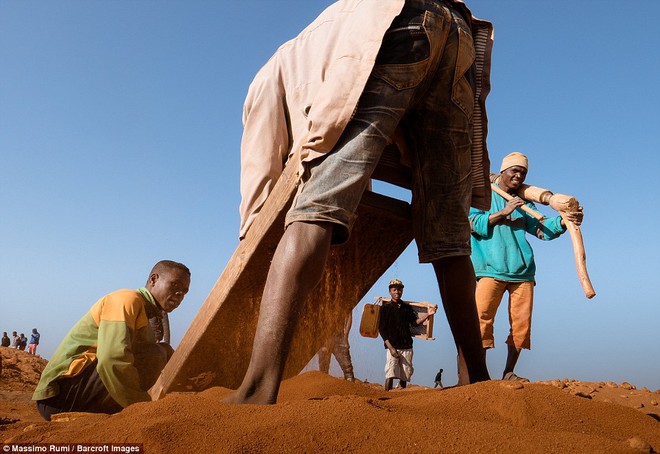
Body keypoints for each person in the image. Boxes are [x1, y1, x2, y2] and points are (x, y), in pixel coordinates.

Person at [228, 0, 494, 405]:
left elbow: (261, 166)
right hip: (456, 29)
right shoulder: (312, 45)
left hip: (397, 20)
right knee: (450, 239)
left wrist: (252, 234)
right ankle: (478, 380)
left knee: (315, 209)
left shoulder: (268, 77)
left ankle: (256, 387)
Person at [469, 152, 583, 381]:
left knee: (521, 327)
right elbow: (472, 224)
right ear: (503, 172)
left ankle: (508, 372)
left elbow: (543, 230)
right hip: (490, 270)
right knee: (481, 321)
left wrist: (564, 221)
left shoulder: (524, 203)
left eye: (523, 172)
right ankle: (479, 375)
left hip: (522, 273)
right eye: (515, 171)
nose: (519, 175)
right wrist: (503, 212)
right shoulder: (482, 195)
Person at [32, 260, 190, 421]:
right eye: (175, 285)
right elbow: (112, 358)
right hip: (59, 397)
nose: (180, 295)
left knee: (163, 353)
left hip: (77, 393)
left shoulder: (146, 314)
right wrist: (141, 407)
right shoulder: (126, 300)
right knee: (159, 354)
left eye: (185, 291)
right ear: (153, 280)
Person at [378, 279, 436, 391]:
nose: (397, 292)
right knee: (390, 373)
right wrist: (390, 348)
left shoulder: (407, 308)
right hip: (393, 346)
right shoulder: (385, 309)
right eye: (394, 290)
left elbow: (414, 323)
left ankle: (402, 399)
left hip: (406, 345)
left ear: (402, 291)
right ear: (390, 291)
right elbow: (382, 329)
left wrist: (428, 314)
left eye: (399, 290)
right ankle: (386, 396)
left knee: (405, 374)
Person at [317, 313, 355, 382]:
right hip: (324, 339)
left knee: (348, 369)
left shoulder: (343, 303)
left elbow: (349, 315)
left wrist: (345, 337)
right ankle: (323, 389)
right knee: (323, 370)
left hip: (339, 337)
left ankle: (350, 388)